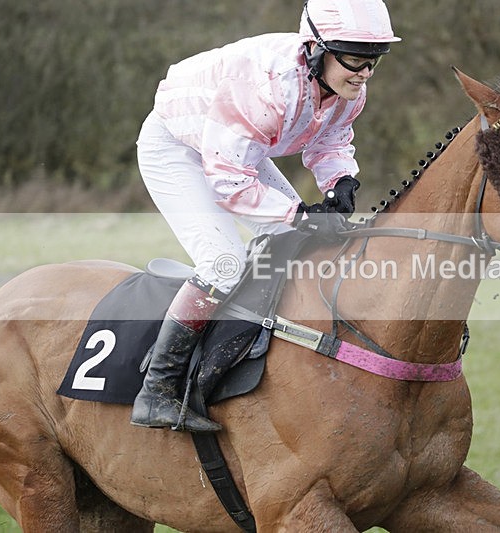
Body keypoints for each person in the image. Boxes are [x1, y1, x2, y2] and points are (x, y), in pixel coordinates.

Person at [130, 0, 400, 432]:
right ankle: (157, 389)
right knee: (225, 263)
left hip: (235, 149)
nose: (365, 71)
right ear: (315, 49)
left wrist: (340, 182)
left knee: (312, 243)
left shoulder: (347, 88)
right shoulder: (268, 86)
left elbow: (329, 143)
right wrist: (298, 214)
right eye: (354, 57)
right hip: (177, 146)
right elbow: (229, 181)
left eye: (373, 59)